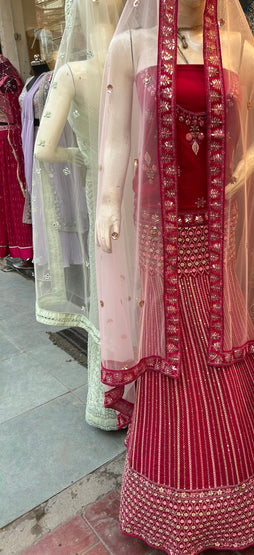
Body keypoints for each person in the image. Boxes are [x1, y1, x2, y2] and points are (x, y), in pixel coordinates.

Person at [95, 0, 254, 553]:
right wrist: (108, 202)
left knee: (216, 321)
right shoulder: (129, 46)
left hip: (215, 222)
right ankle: (168, 488)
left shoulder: (239, 50)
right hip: (158, 225)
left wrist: (245, 169)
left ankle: (232, 488)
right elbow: (117, 140)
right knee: (166, 330)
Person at [33, 0, 124, 430]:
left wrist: (82, 153)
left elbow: (42, 150)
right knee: (142, 294)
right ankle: (150, 403)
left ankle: (107, 404)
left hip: (99, 193)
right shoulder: (140, 62)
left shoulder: (72, 73)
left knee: (110, 292)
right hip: (141, 196)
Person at [0, 52, 33, 261]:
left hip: (10, 141)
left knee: (16, 193)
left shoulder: (8, 80)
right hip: (4, 138)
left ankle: (25, 247)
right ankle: (11, 246)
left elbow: (14, 112)